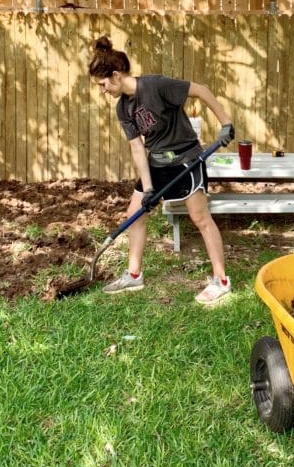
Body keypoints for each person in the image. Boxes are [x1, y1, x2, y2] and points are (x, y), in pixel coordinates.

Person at [88, 36, 235, 306]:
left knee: (199, 217)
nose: (102, 90)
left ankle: (221, 280)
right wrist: (149, 187)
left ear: (116, 75)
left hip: (186, 159)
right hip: (157, 162)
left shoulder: (156, 86)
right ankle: (134, 274)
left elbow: (200, 90)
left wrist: (225, 123)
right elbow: (136, 148)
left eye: (102, 84)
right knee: (135, 213)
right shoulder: (123, 108)